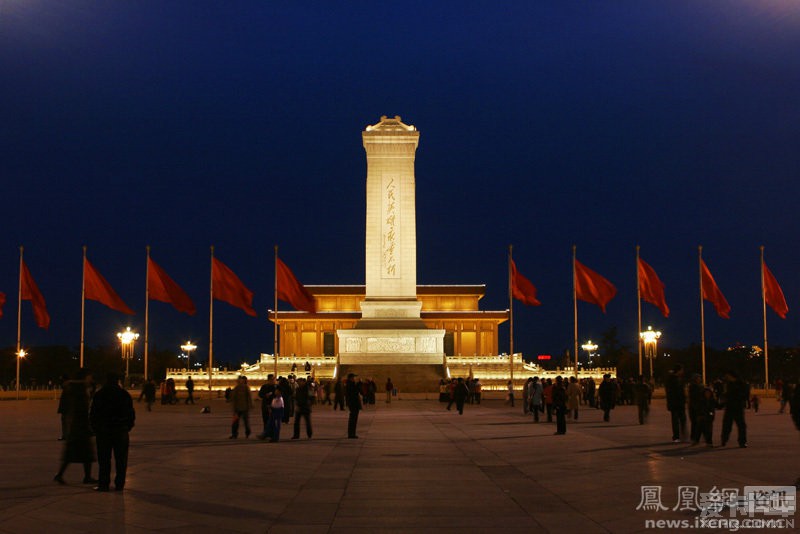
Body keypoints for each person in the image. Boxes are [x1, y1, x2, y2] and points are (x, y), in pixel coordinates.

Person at [89, 372, 135, 492]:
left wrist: (96, 428)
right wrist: (127, 426)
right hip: (120, 430)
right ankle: (120, 484)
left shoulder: (100, 394)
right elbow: (131, 413)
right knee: (121, 459)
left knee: (104, 459)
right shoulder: (124, 394)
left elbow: (93, 414)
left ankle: (104, 483)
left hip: (104, 431)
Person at [54, 369, 97, 485]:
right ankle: (83, 476)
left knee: (77, 453)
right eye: (89, 377)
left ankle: (61, 474)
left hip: (76, 426)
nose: (91, 379)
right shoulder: (80, 390)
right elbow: (81, 410)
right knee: (84, 453)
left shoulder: (76, 388)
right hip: (80, 426)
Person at [720, 370, 748, 448]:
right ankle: (724, 439)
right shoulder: (728, 384)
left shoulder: (741, 384)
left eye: (727, 375)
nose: (726, 377)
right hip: (729, 407)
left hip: (738, 407)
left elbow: (744, 394)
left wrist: (735, 397)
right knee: (727, 425)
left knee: (741, 425)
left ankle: (742, 442)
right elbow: (726, 394)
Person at [664, 364, 687, 442]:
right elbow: (671, 392)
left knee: (681, 420)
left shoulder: (678, 379)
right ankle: (677, 436)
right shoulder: (672, 380)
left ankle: (681, 435)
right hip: (675, 403)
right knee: (676, 420)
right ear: (678, 370)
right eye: (682, 370)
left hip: (678, 403)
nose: (683, 371)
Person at [257, 374, 276, 440]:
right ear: (268, 380)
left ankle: (272, 434)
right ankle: (266, 433)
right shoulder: (264, 387)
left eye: (274, 379)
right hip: (265, 406)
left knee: (272, 421)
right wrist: (265, 395)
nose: (273, 381)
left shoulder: (276, 387)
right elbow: (260, 394)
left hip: (273, 406)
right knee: (265, 420)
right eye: (272, 379)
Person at [687, 373, 705, 444]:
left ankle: (694, 437)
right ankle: (695, 437)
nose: (700, 379)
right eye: (698, 378)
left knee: (696, 423)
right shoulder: (695, 387)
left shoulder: (698, 386)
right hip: (695, 407)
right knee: (696, 423)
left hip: (695, 406)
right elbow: (694, 397)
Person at [345, 373, 362, 438]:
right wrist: (357, 385)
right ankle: (351, 434)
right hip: (353, 404)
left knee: (353, 419)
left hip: (353, 404)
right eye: (353, 377)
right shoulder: (350, 384)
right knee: (353, 419)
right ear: (350, 378)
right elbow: (354, 392)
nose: (354, 379)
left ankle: (352, 433)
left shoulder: (351, 384)